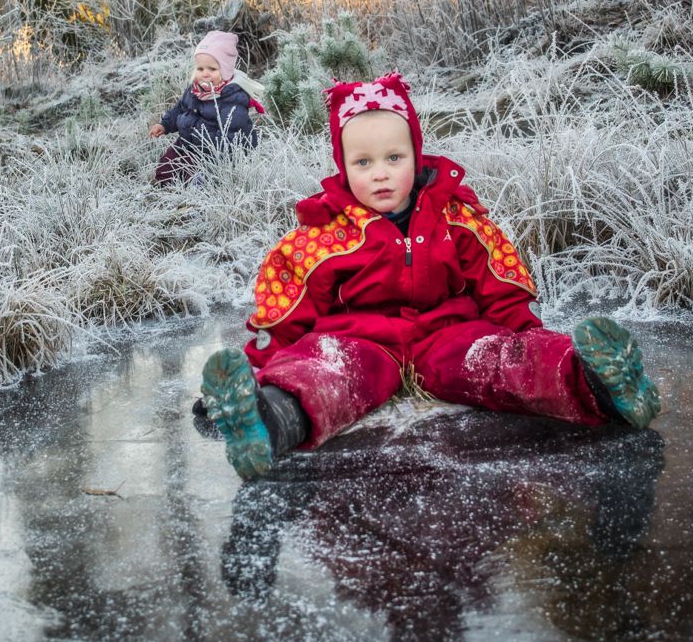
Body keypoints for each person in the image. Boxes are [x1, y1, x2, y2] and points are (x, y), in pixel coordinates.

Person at [197, 72, 661, 479]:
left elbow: (497, 280)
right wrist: (262, 368)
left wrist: (524, 335)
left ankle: (600, 383)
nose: (380, 174)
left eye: (393, 158)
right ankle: (263, 418)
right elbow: (288, 307)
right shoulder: (327, 234)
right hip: (362, 343)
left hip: (448, 335)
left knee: (497, 362)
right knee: (327, 374)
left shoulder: (454, 217)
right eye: (363, 163)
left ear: (416, 155)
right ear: (343, 165)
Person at [149, 30, 261, 185]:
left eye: (212, 69)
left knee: (193, 174)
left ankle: (197, 192)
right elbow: (180, 108)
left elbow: (231, 135)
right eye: (200, 69)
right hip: (188, 142)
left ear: (226, 70)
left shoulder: (231, 99)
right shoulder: (195, 90)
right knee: (167, 165)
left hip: (212, 151)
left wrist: (212, 155)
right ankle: (165, 186)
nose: (205, 74)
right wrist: (165, 124)